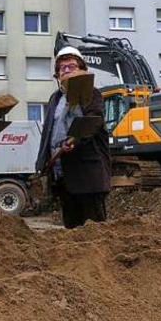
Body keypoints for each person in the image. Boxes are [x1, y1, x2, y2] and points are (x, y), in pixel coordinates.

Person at [35, 47, 111, 228]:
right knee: (71, 229)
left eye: (71, 66)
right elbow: (49, 133)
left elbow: (92, 122)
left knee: (94, 228)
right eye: (62, 68)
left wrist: (75, 140)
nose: (66, 71)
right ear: (57, 75)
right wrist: (42, 163)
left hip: (87, 173)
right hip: (63, 175)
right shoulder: (55, 98)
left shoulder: (91, 93)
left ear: (82, 69)